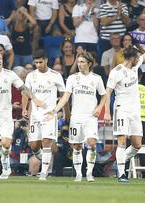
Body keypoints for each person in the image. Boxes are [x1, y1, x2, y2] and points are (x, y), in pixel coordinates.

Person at [104, 30, 145, 183]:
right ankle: (121, 173)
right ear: (131, 58)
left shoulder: (135, 66)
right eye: (137, 57)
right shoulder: (116, 72)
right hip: (121, 109)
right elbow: (108, 92)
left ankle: (118, 162)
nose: (140, 58)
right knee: (121, 140)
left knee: (137, 145)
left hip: (135, 111)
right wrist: (107, 111)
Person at [0, 50, 43, 179]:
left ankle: (5, 163)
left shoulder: (9, 74)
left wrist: (34, 98)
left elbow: (23, 89)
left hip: (6, 115)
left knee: (5, 144)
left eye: (0, 59)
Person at [47, 52, 106, 181]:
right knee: (77, 146)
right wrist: (55, 109)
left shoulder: (96, 78)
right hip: (76, 116)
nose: (79, 64)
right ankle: (79, 174)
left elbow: (104, 96)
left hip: (90, 117)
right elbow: (66, 97)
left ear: (89, 64)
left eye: (82, 62)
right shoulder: (73, 78)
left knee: (91, 143)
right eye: (78, 62)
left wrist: (99, 108)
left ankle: (89, 173)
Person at [21, 50, 69, 181]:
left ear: (46, 60)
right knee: (34, 145)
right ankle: (43, 157)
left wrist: (66, 113)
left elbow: (64, 95)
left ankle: (43, 173)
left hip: (49, 114)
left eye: (40, 62)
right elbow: (26, 92)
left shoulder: (55, 75)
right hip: (34, 115)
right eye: (36, 62)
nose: (38, 65)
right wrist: (24, 108)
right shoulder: (31, 76)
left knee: (46, 141)